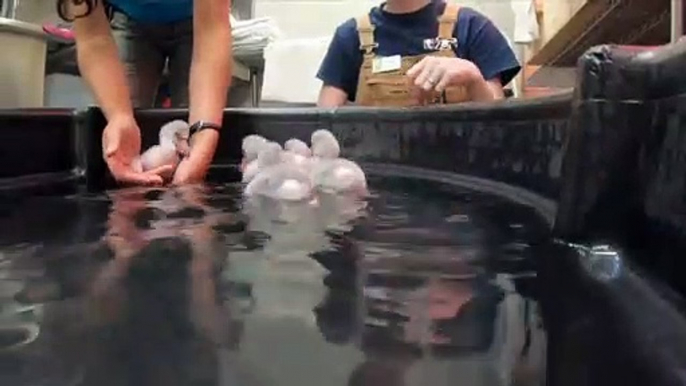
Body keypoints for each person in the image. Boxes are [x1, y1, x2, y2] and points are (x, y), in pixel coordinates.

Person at [57, 0, 232, 185]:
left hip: (199, 17)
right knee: (123, 141)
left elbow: (212, 30)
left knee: (197, 142)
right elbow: (93, 39)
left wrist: (204, 133)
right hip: (130, 19)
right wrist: (119, 116)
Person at [316, 0, 521, 107]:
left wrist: (473, 78)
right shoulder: (350, 36)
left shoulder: (472, 27)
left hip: (463, 175)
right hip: (379, 175)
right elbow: (324, 128)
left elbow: (499, 128)